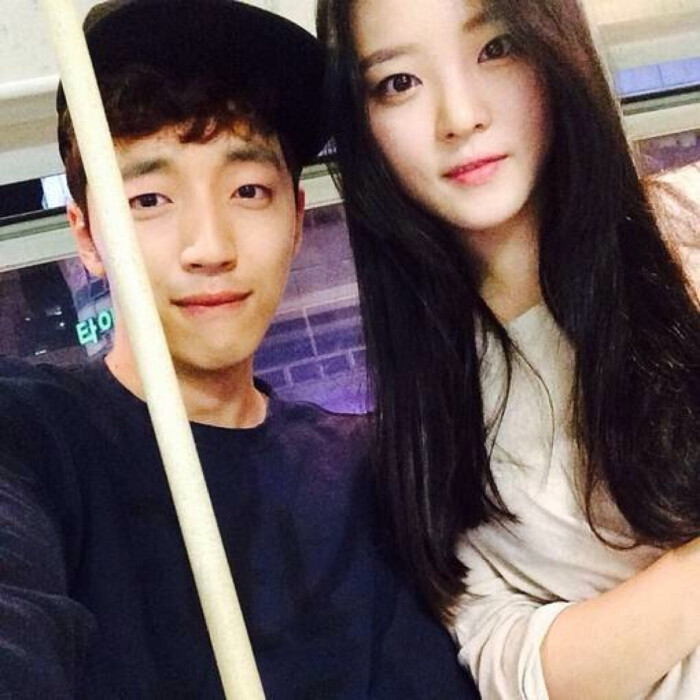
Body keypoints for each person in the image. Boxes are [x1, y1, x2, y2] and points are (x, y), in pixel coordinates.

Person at [0, 1, 479, 697]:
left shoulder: (379, 474)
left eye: (248, 190)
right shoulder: (31, 441)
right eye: (149, 200)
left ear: (296, 220)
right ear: (85, 235)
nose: (210, 247)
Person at [317, 0, 700, 697]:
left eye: (494, 48)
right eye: (399, 82)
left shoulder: (689, 234)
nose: (460, 116)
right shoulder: (431, 425)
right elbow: (519, 671)